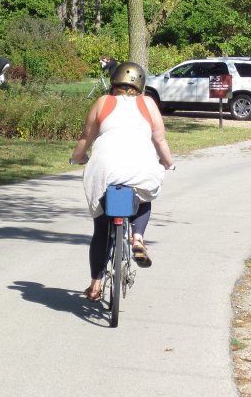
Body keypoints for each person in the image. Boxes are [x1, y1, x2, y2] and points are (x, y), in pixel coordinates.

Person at [70, 62, 175, 302]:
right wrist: (168, 163)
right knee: (144, 195)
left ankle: (95, 285)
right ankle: (137, 238)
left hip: (106, 167)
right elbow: (160, 140)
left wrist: (77, 157)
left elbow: (87, 136)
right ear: (140, 85)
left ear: (114, 81)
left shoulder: (103, 102)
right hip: (140, 165)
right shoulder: (148, 103)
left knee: (101, 228)